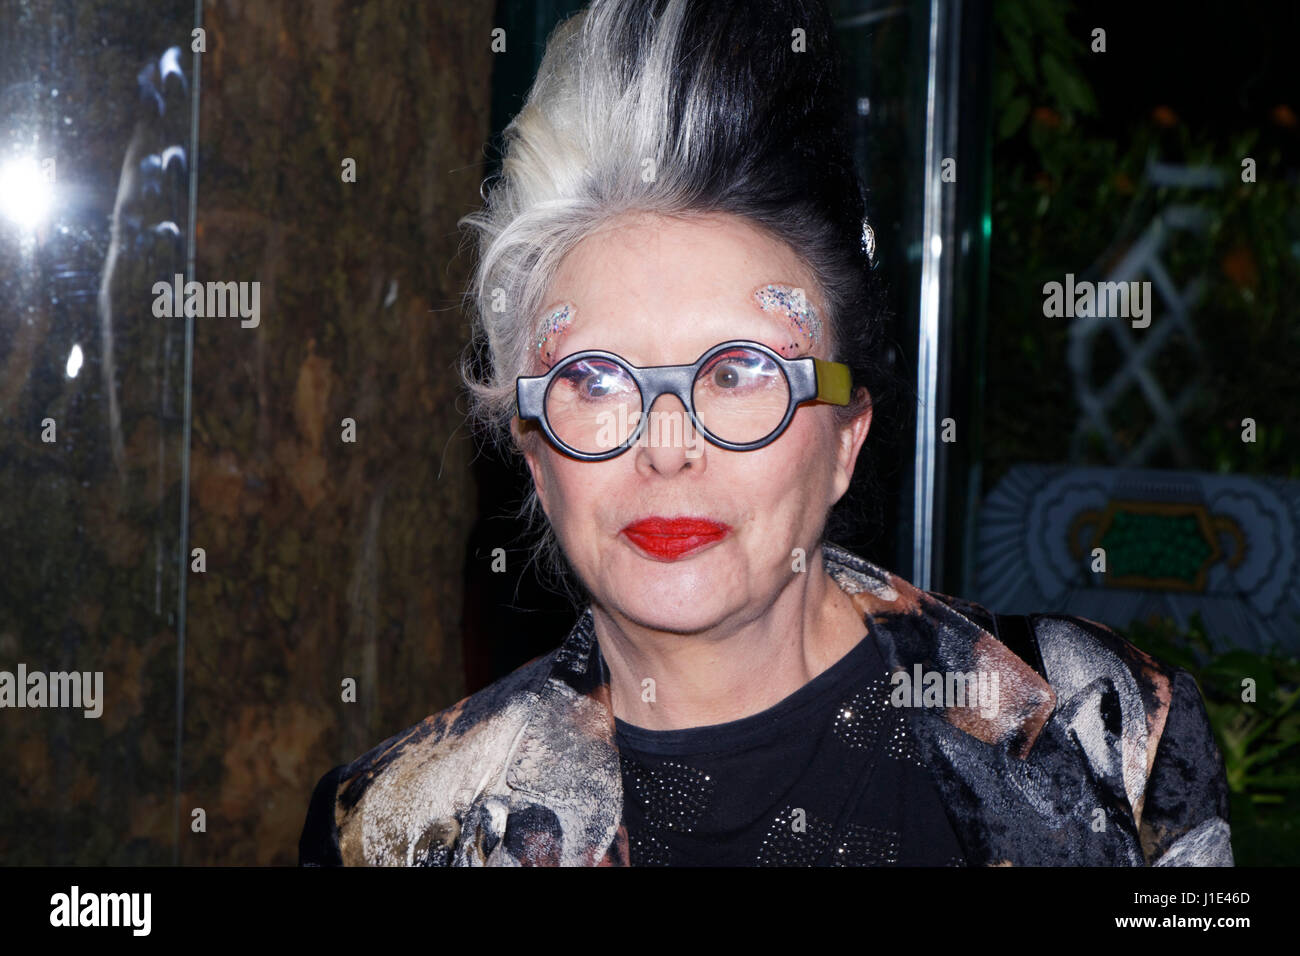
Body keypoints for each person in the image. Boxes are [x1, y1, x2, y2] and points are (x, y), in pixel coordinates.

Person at [298, 0, 1232, 867]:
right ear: (536, 455)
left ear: (847, 436)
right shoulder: (391, 831)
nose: (667, 448)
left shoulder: (1115, 738)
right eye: (593, 379)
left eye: (739, 373)